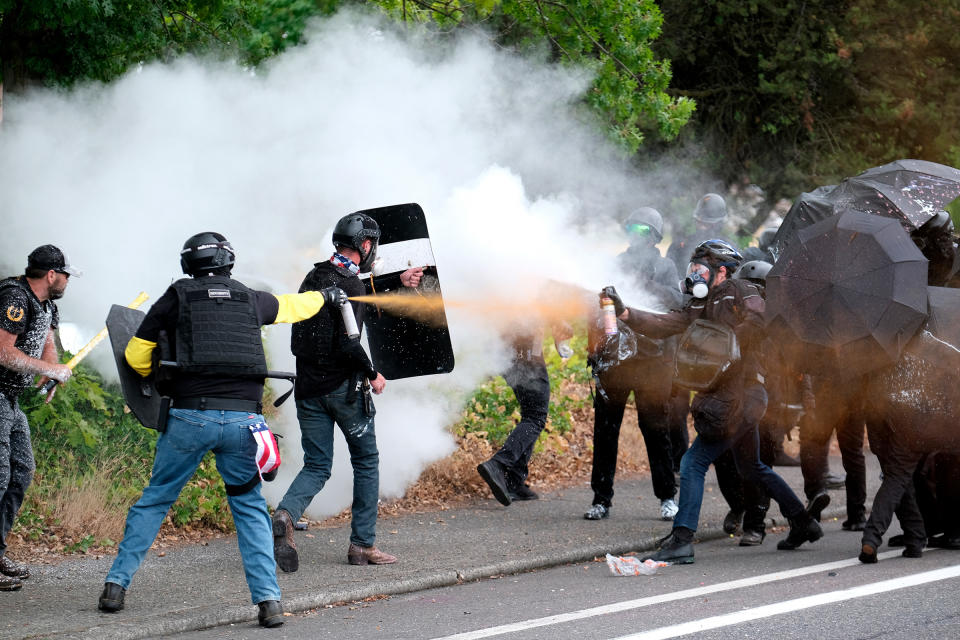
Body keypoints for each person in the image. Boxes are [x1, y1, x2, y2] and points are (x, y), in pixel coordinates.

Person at [98, 232, 344, 627]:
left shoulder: (177, 297)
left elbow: (135, 355)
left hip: (189, 419)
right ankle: (269, 604)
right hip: (245, 424)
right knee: (248, 507)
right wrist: (329, 296)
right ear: (229, 262)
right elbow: (297, 306)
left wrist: (152, 375)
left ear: (188, 266)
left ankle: (115, 587)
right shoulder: (251, 298)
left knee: (156, 500)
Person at [604, 239, 822, 563]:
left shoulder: (740, 290)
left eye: (701, 269)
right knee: (753, 466)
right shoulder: (696, 304)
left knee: (693, 463)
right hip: (729, 397)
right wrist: (624, 312)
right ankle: (804, 522)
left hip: (742, 396)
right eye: (692, 269)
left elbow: (761, 320)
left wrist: (730, 339)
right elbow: (665, 325)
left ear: (721, 271)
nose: (695, 275)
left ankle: (682, 539)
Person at [273, 212, 399, 572]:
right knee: (366, 462)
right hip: (343, 393)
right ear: (364, 244)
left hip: (308, 390)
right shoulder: (352, 286)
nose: (373, 250)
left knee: (316, 465)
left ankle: (285, 514)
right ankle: (362, 546)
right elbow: (349, 344)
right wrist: (372, 373)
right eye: (372, 244)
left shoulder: (313, 276)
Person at [583, 207, 682, 521]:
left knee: (655, 429)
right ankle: (601, 499)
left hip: (654, 363)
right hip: (615, 361)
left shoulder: (665, 267)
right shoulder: (613, 265)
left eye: (641, 231)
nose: (634, 236)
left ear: (654, 235)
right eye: (631, 230)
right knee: (606, 430)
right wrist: (594, 350)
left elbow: (678, 303)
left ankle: (667, 497)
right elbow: (595, 309)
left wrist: (645, 284)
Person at [0, 246, 76, 592]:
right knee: (0, 474)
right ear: (51, 275)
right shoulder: (14, 298)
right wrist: (49, 368)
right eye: (65, 274)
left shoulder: (47, 304)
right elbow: (4, 351)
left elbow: (47, 344)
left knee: (21, 471)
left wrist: (52, 373)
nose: (67, 280)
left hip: (12, 399)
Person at [476, 325, 569, 505]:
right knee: (536, 417)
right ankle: (499, 464)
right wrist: (560, 323)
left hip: (505, 357)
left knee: (530, 415)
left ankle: (515, 482)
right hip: (527, 355)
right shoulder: (537, 296)